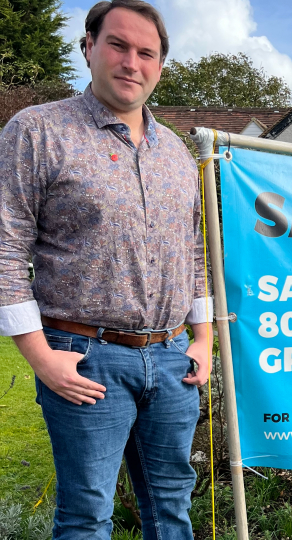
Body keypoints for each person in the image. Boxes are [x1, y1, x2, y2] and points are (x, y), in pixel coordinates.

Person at [0, 1, 213, 538]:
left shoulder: (178, 155)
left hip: (171, 361)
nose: (131, 63)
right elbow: (4, 250)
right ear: (89, 47)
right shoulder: (38, 132)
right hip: (83, 360)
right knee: (87, 516)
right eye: (118, 45)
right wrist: (41, 358)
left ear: (160, 66)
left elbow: (192, 253)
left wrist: (204, 338)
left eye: (147, 53)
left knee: (172, 509)